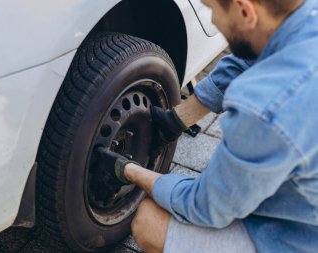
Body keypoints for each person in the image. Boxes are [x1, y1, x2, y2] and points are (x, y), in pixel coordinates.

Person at [98, 0, 318, 252]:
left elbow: (204, 208)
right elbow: (245, 61)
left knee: (150, 221)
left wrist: (128, 170)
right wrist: (178, 119)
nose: (212, 20)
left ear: (245, 11)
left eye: (212, 9)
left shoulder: (266, 107)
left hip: (302, 239)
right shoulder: (303, 15)